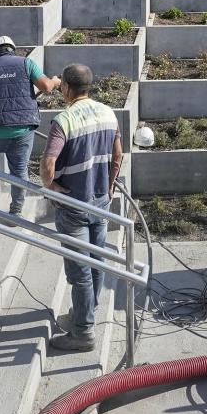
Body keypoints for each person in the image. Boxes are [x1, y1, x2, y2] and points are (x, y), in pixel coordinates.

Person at [42, 63, 123, 353]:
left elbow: (48, 163)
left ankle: (83, 332)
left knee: (80, 272)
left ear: (65, 86)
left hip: (73, 203)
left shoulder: (64, 120)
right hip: (101, 201)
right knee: (97, 261)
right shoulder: (107, 113)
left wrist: (50, 187)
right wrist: (110, 186)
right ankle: (84, 313)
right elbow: (117, 155)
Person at [0, 35, 60, 217]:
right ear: (12, 50)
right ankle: (16, 210)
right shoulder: (26, 63)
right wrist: (55, 81)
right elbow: (46, 87)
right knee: (19, 170)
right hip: (22, 129)